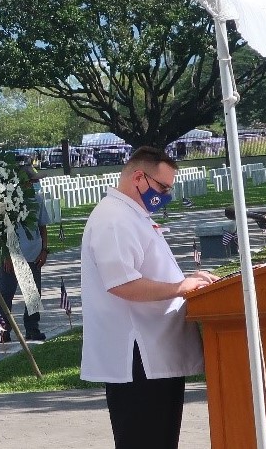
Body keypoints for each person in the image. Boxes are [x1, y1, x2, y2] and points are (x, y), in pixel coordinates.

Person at [79, 146, 218, 449]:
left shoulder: (132, 214)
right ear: (138, 177)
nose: (165, 195)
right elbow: (122, 284)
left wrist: (188, 284)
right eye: (162, 187)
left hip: (154, 353)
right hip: (138, 359)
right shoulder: (113, 218)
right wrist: (180, 288)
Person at [0, 163, 51, 342]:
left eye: (34, 182)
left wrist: (44, 250)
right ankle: (3, 329)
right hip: (11, 255)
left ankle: (32, 328)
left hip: (33, 253)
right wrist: (5, 255)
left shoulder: (38, 200)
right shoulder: (7, 202)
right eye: (30, 181)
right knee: (6, 293)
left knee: (33, 294)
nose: (33, 185)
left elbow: (42, 227)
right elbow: (1, 232)